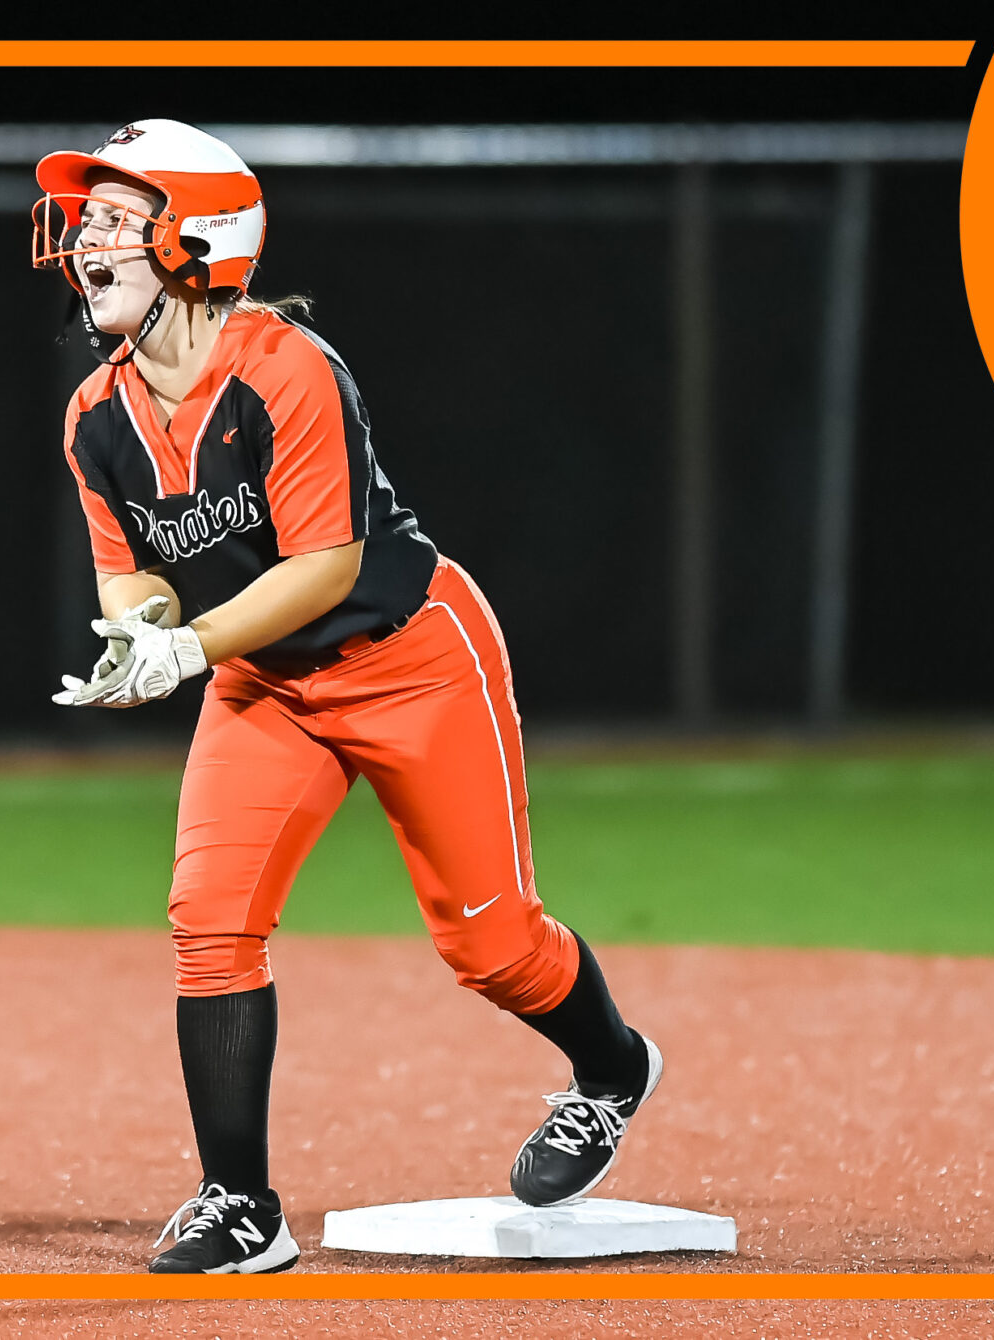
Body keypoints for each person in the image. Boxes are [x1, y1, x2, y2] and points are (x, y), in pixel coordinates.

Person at [33, 119, 661, 1276]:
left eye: (118, 219)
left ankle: (613, 1066)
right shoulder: (94, 415)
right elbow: (131, 568)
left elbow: (324, 566)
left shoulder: (286, 369)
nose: (86, 241)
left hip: (412, 657)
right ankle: (240, 1203)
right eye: (87, 220)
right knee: (209, 919)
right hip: (267, 683)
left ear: (197, 241)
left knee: (493, 947)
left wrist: (189, 645)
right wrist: (141, 631)